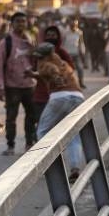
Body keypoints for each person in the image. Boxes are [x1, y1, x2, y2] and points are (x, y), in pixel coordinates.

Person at [29, 42, 85, 181]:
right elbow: (46, 73)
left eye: (39, 57)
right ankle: (75, 167)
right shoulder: (63, 63)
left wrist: (55, 79)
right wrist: (34, 74)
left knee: (42, 131)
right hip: (77, 97)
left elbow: (51, 72)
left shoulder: (47, 64)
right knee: (74, 134)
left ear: (46, 56)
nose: (37, 60)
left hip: (59, 97)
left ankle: (51, 166)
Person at [0, 12, 37, 156]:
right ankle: (10, 145)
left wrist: (33, 49)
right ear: (12, 24)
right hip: (12, 87)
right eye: (18, 21)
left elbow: (37, 62)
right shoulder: (6, 42)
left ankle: (29, 142)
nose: (21, 24)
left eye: (23, 21)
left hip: (30, 86)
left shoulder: (31, 40)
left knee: (31, 116)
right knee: (11, 117)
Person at [61, 18, 87, 89]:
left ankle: (81, 82)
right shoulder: (65, 32)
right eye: (72, 25)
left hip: (76, 53)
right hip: (67, 53)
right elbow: (62, 43)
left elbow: (81, 43)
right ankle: (66, 83)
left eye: (74, 25)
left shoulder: (79, 32)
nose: (73, 26)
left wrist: (83, 52)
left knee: (80, 68)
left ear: (77, 25)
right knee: (66, 69)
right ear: (69, 25)